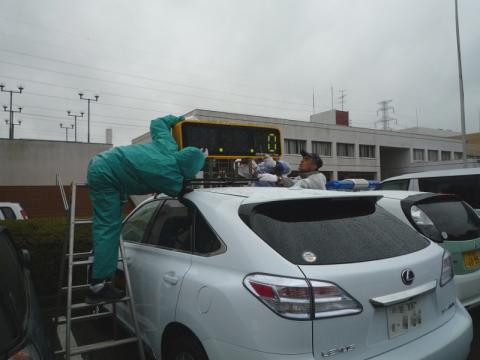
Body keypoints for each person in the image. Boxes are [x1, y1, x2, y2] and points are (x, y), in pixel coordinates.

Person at [85, 114, 206, 304]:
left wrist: (181, 118)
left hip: (105, 162)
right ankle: (96, 287)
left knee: (109, 226)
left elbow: (157, 123)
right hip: (106, 176)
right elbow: (179, 190)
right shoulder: (171, 176)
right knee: (108, 227)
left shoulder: (169, 145)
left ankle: (98, 277)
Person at [258, 150, 326, 189]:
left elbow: (297, 184)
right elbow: (291, 181)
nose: (301, 161)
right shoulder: (301, 177)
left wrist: (278, 179)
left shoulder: (318, 178)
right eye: (303, 158)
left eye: (306, 159)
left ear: (314, 166)